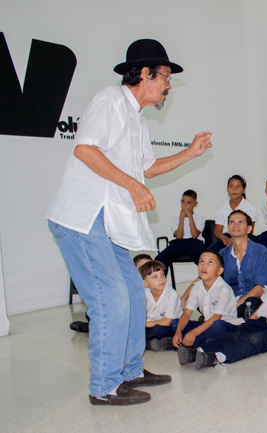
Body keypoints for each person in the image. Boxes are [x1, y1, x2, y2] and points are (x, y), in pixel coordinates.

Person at [47, 39, 212, 405]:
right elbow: (85, 149)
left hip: (107, 225)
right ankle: (104, 387)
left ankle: (130, 371)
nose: (169, 85)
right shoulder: (110, 99)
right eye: (165, 77)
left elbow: (147, 169)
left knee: (135, 295)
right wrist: (132, 184)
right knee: (111, 300)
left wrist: (190, 152)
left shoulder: (137, 119)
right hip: (82, 219)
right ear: (143, 74)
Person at [188, 242, 267, 368]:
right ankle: (197, 351)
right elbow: (265, 303)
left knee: (253, 340)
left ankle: (216, 358)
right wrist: (252, 319)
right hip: (260, 321)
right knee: (235, 335)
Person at [173, 250, 241, 361]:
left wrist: (193, 333)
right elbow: (187, 313)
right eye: (201, 262)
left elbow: (215, 318)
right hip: (206, 325)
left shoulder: (223, 289)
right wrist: (178, 332)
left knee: (218, 325)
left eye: (210, 262)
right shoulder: (197, 287)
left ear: (219, 271)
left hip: (226, 326)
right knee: (175, 323)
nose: (204, 265)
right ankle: (192, 342)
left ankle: (193, 346)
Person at [219, 210, 267, 317]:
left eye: (241, 222)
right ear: (228, 229)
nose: (235, 225)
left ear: (249, 229)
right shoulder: (223, 253)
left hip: (251, 301)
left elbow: (262, 287)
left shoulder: (260, 251)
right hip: (229, 299)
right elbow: (206, 277)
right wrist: (184, 298)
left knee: (252, 304)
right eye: (232, 222)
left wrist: (238, 303)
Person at [155, 189, 206, 273]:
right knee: (161, 258)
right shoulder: (175, 219)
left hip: (194, 242)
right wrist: (181, 218)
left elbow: (194, 236)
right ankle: (158, 281)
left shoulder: (200, 218)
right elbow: (179, 236)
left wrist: (190, 217)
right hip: (179, 242)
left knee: (204, 258)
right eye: (183, 201)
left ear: (195, 204)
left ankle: (209, 280)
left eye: (189, 203)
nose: (185, 205)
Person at [140, 260, 182, 352]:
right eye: (154, 277)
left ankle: (146, 343)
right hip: (151, 325)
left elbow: (167, 322)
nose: (160, 279)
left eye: (162, 275)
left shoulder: (172, 294)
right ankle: (152, 343)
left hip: (170, 326)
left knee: (158, 330)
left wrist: (143, 324)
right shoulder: (143, 294)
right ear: (145, 283)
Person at [209, 175, 258, 251]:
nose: (234, 189)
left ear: (244, 189)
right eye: (231, 186)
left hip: (245, 236)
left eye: (238, 187)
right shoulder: (222, 208)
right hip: (227, 237)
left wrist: (235, 239)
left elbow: (250, 230)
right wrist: (223, 238)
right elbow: (217, 230)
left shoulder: (249, 207)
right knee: (210, 253)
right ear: (227, 189)